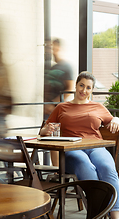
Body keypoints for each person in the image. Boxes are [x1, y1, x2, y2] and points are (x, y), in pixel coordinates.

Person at [40, 71, 119, 219]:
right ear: (75, 86)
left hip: (95, 146)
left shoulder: (98, 107)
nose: (84, 90)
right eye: (81, 85)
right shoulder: (61, 107)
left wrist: (117, 119)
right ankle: (96, 217)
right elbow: (44, 130)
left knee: (107, 167)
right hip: (71, 150)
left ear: (92, 90)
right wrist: (45, 130)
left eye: (88, 87)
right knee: (86, 167)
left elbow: (113, 120)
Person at [44, 38, 74, 166]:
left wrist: (53, 104)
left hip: (57, 109)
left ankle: (58, 171)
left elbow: (69, 89)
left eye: (52, 47)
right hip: (47, 110)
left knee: (56, 139)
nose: (50, 49)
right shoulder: (50, 67)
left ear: (58, 48)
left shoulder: (66, 66)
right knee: (49, 140)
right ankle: (55, 170)